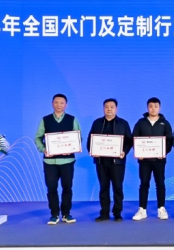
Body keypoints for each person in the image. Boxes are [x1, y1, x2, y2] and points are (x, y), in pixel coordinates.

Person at [34, 93, 80, 225]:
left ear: (66, 105)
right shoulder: (45, 120)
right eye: (56, 102)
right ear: (52, 104)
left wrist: (72, 148)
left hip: (67, 161)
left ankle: (66, 214)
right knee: (51, 188)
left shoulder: (72, 119)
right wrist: (44, 149)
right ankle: (54, 214)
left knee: (67, 187)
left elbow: (78, 138)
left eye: (61, 103)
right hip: (50, 162)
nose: (59, 105)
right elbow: (37, 137)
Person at [86, 98, 133, 222]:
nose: (109, 109)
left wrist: (124, 152)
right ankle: (104, 213)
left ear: (116, 108)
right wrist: (92, 151)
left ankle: (117, 213)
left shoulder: (123, 123)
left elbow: (129, 141)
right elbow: (90, 140)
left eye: (112, 107)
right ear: (103, 108)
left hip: (117, 162)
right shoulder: (97, 123)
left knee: (118, 188)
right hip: (101, 162)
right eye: (106, 107)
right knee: (103, 187)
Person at [131, 97, 173, 221]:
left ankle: (161, 208)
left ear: (159, 108)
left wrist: (163, 152)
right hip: (144, 161)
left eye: (155, 106)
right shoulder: (141, 123)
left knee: (160, 184)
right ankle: (142, 209)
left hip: (159, 160)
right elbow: (134, 138)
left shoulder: (165, 123)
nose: (153, 109)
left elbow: (169, 141)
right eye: (150, 106)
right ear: (147, 107)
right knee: (144, 184)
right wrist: (138, 152)